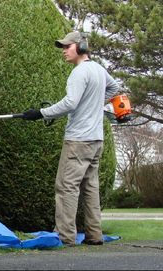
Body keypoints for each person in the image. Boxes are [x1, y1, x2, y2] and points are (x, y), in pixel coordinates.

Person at [22, 31, 119, 246]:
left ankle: (65, 236)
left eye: (68, 46)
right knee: (90, 187)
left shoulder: (79, 72)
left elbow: (70, 103)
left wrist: (40, 113)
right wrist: (94, 103)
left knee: (66, 187)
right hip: (96, 141)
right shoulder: (99, 70)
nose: (64, 51)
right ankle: (94, 236)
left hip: (78, 141)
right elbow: (114, 87)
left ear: (81, 47)